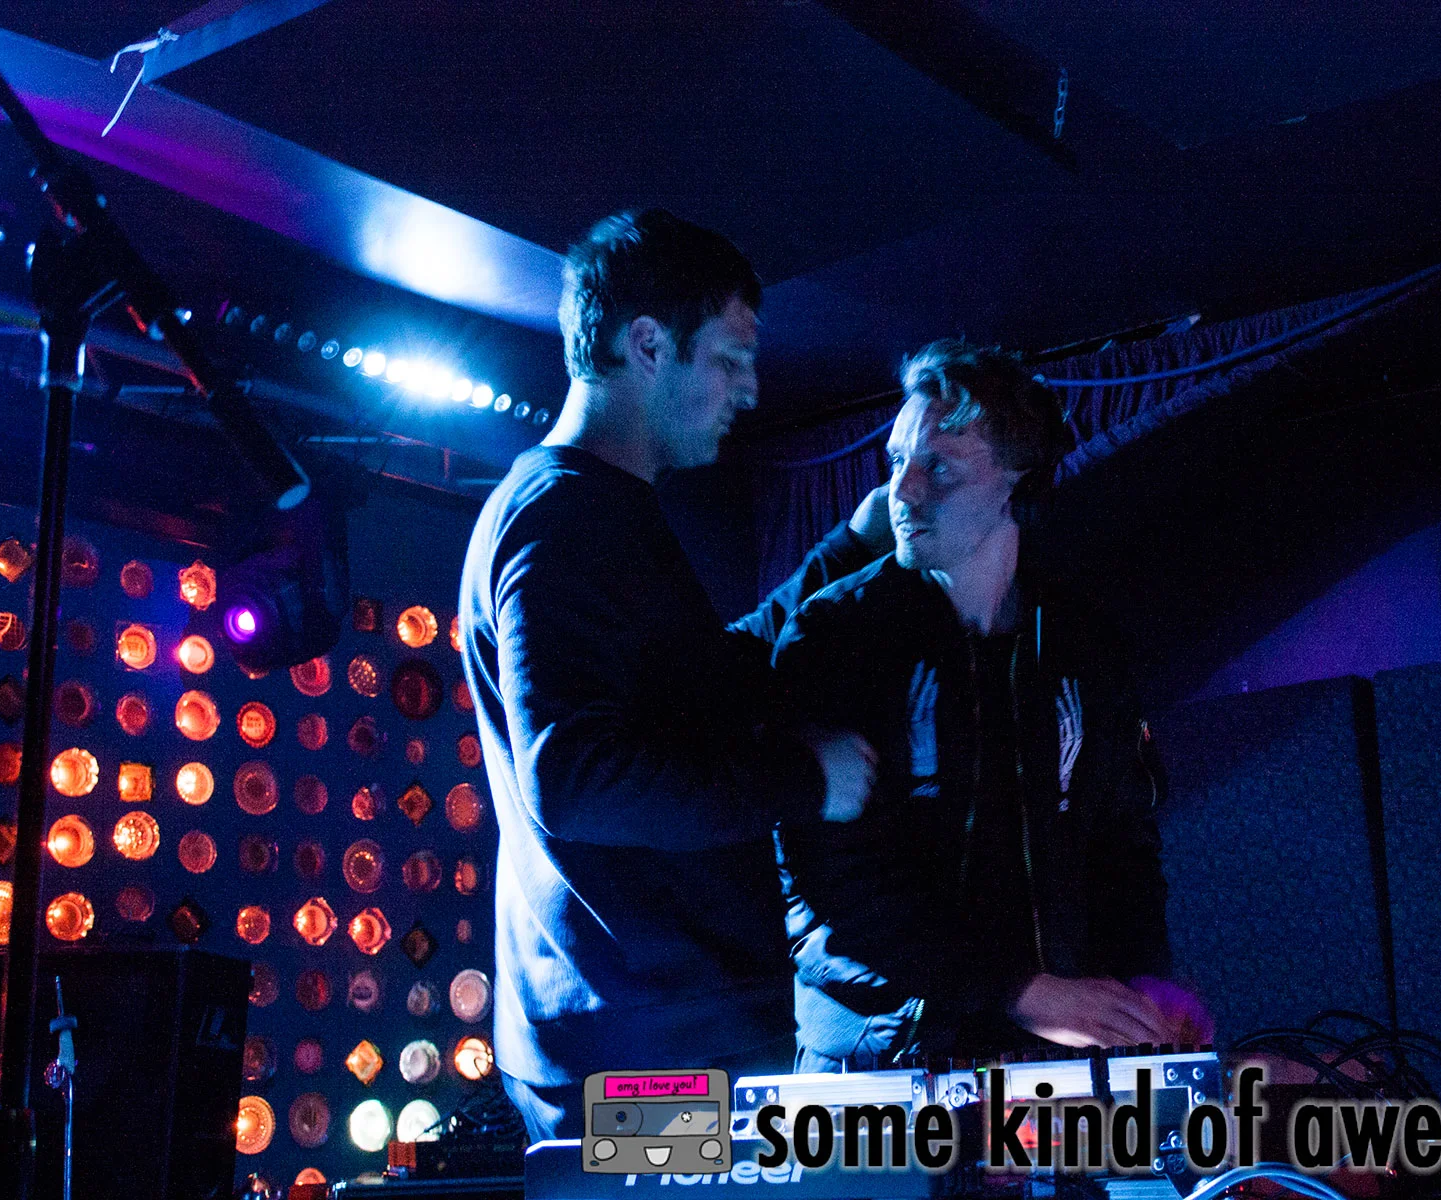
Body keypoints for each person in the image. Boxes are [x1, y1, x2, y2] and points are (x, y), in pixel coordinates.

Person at [457, 209, 885, 1142]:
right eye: (730, 359)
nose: (750, 389)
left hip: (651, 1031)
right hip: (643, 1052)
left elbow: (705, 685)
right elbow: (575, 777)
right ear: (647, 345)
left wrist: (846, 551)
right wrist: (803, 781)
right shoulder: (563, 519)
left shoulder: (589, 511)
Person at [773, 339, 1211, 1072]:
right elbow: (824, 888)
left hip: (1044, 1054)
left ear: (1019, 477)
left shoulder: (1082, 644)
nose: (901, 491)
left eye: (939, 467)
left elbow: (1122, 848)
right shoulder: (836, 634)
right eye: (896, 462)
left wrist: (1142, 988)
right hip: (884, 1059)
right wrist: (1014, 989)